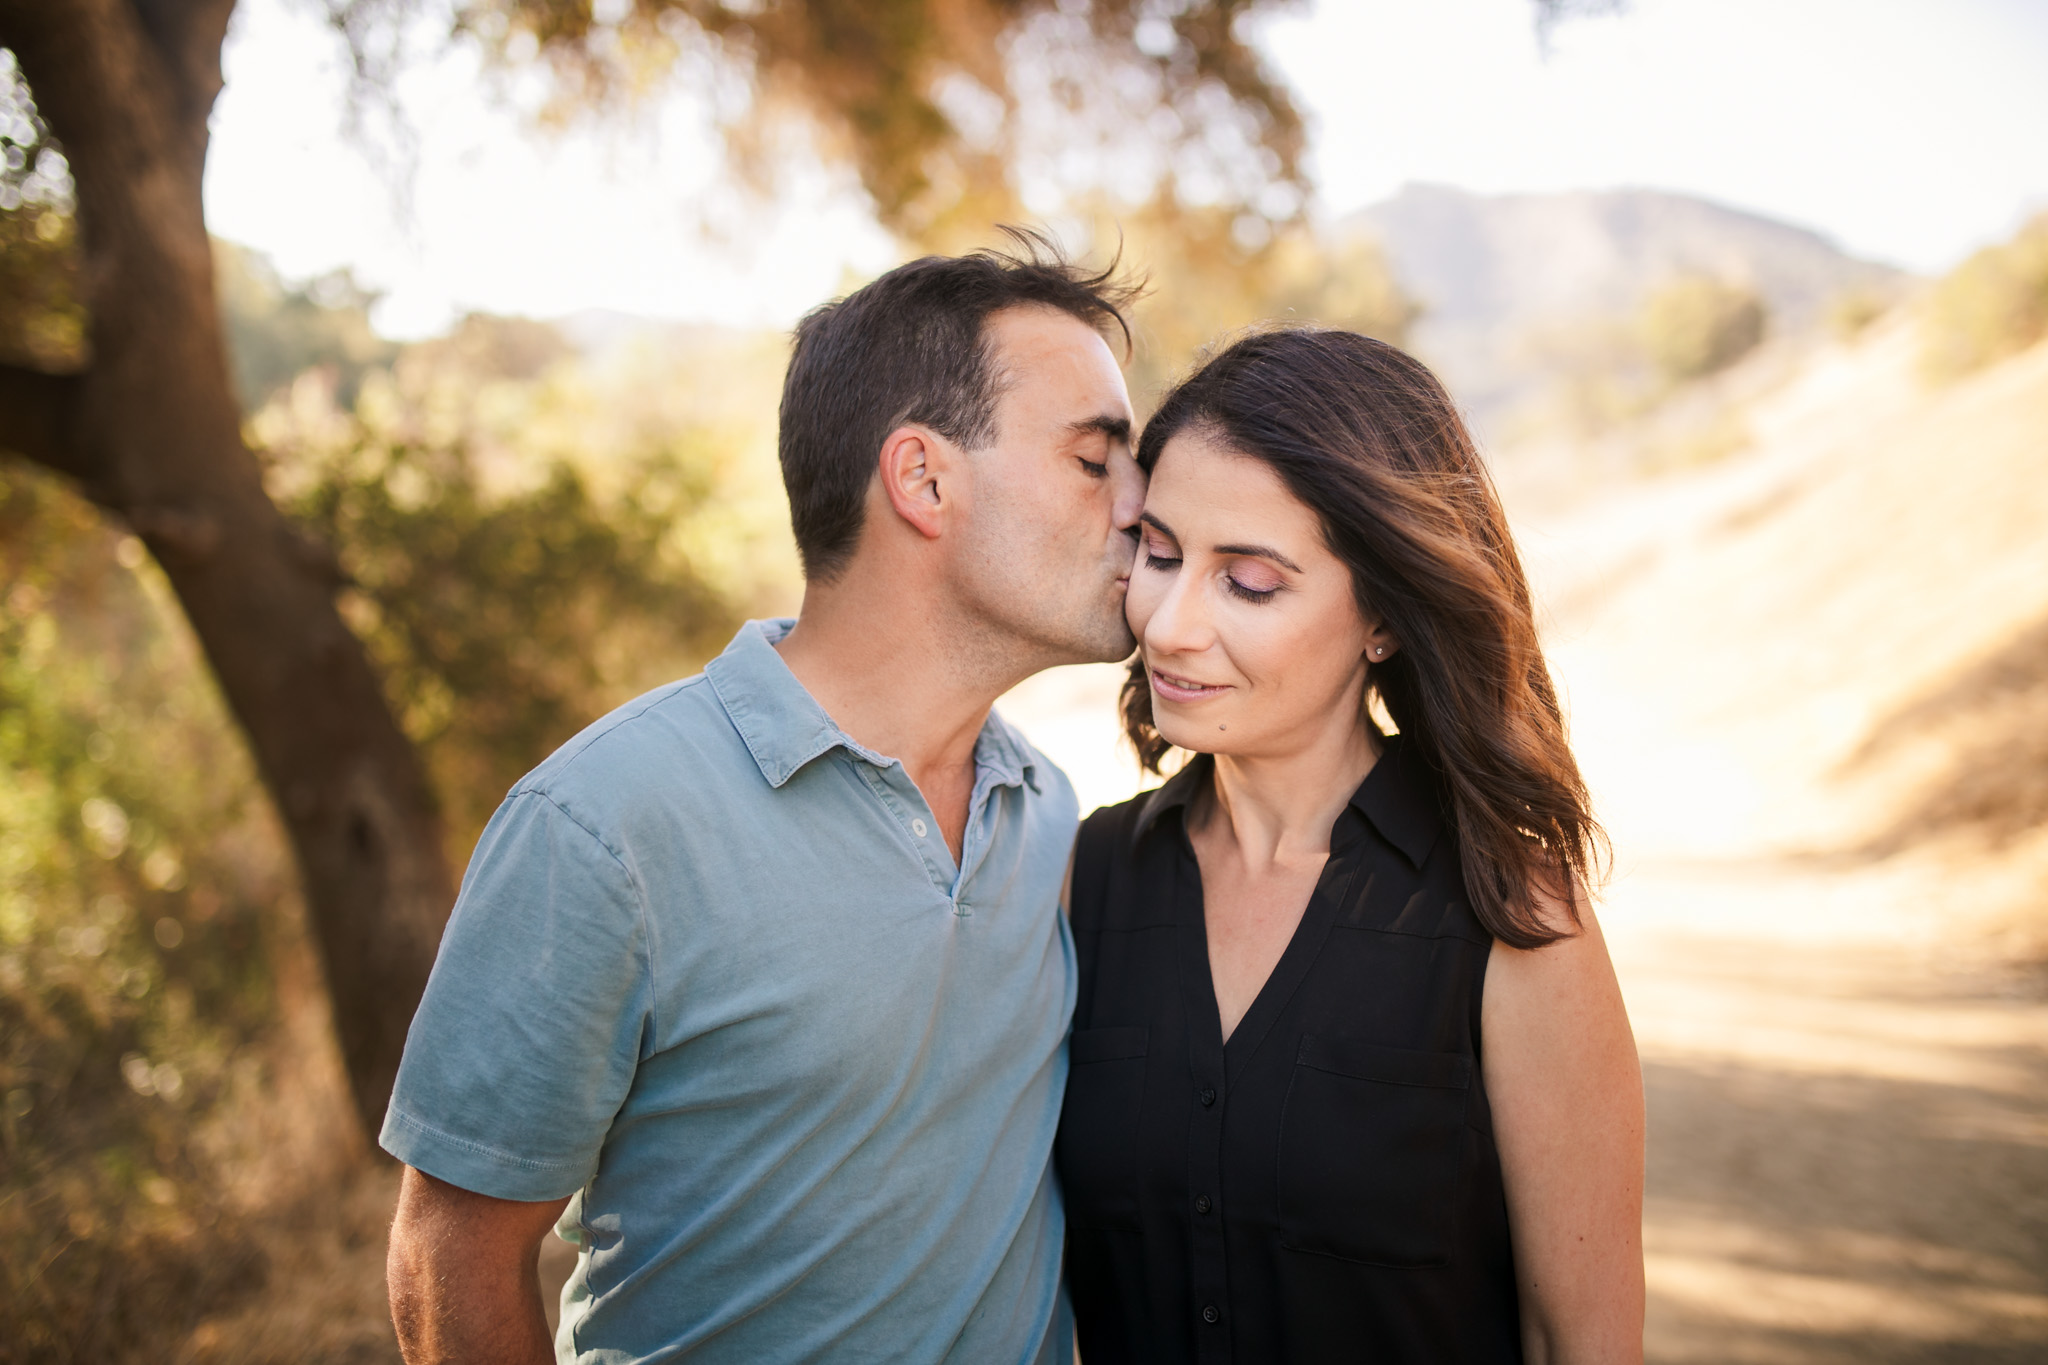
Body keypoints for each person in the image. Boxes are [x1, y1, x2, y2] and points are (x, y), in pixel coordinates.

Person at [380, 236, 1145, 1364]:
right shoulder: (603, 827)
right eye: (1096, 460)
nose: (1141, 507)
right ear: (924, 479)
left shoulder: (1043, 809)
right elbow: (450, 1263)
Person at [1056, 328, 1645, 1363]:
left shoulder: (1509, 917)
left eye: (1248, 581)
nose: (1169, 624)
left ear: (1380, 616)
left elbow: (1582, 1344)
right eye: (1159, 553)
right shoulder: (1080, 882)